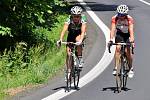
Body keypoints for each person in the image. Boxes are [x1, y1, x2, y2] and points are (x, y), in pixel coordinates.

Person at [57, 6, 87, 73]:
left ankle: (80, 58)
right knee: (68, 53)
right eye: (74, 16)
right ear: (71, 16)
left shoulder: (83, 19)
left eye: (78, 16)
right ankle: (68, 70)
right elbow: (64, 30)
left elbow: (83, 31)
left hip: (80, 33)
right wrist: (60, 39)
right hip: (71, 33)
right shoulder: (69, 19)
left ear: (80, 16)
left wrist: (81, 40)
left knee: (78, 40)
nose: (76, 18)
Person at [108, 4, 135, 78]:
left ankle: (131, 68)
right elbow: (113, 29)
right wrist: (111, 39)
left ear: (126, 14)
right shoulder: (115, 18)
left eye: (123, 15)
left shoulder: (130, 19)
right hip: (119, 34)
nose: (121, 16)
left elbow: (131, 31)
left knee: (127, 51)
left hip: (127, 35)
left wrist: (132, 41)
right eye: (119, 14)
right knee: (118, 48)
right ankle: (116, 67)